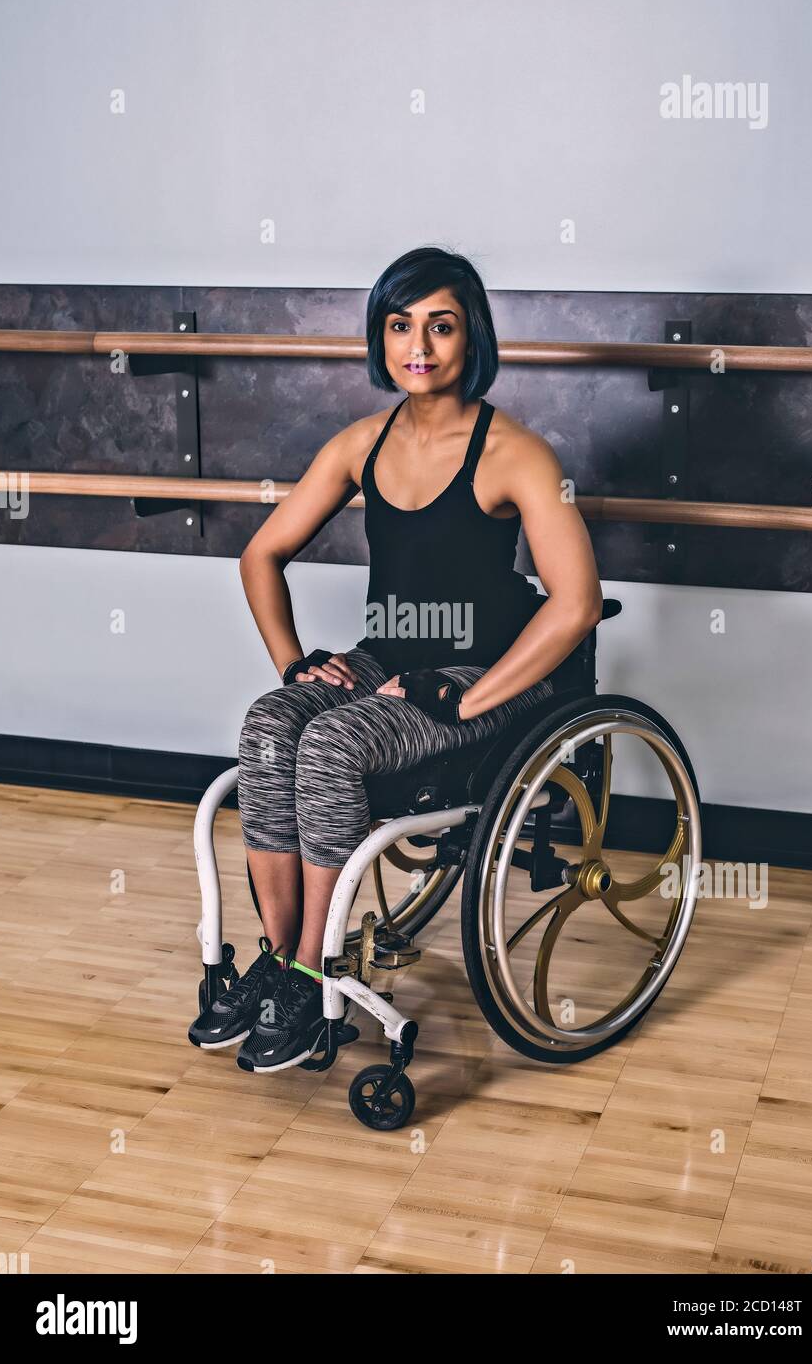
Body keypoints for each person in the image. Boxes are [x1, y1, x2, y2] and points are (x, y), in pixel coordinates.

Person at [188, 244, 603, 1071]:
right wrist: (295, 661)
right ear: (381, 338)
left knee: (333, 747)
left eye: (441, 326)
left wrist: (472, 698)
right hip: (388, 659)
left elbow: (577, 603)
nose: (419, 344)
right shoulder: (360, 446)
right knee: (274, 724)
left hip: (484, 672)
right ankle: (284, 965)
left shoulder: (515, 454)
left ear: (470, 338)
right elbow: (258, 556)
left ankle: (311, 969)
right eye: (400, 324)